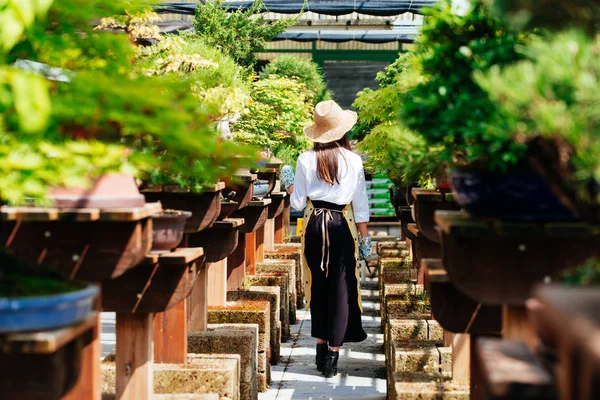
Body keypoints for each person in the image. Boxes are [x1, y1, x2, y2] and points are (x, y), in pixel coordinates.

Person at [279, 100, 372, 378]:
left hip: (314, 225)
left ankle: (319, 349)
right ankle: (332, 356)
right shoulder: (354, 160)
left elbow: (297, 200)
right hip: (341, 224)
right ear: (342, 131)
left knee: (317, 285)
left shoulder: (305, 159)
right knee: (342, 290)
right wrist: (365, 241)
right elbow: (361, 204)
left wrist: (288, 182)